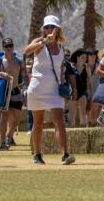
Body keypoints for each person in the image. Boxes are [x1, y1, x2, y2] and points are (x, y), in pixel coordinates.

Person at [24, 16, 76, 165]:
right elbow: (27, 51)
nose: (48, 30)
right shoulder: (39, 43)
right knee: (38, 122)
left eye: (52, 27)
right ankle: (37, 154)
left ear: (57, 29)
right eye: (46, 27)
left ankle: (65, 154)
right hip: (37, 87)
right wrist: (44, 41)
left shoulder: (61, 47)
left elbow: (60, 69)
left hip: (54, 88)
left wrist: (65, 85)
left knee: (59, 121)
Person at [0, 38, 23, 150]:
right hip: (5, 92)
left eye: (10, 46)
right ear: (3, 47)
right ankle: (2, 141)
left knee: (17, 117)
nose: (9, 48)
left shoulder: (18, 61)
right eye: (6, 46)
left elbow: (24, 73)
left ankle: (9, 136)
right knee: (4, 117)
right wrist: (0, 74)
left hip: (16, 90)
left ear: (13, 47)